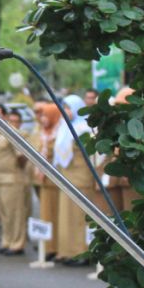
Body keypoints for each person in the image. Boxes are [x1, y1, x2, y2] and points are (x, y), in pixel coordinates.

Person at [54, 94, 96, 265]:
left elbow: (94, 156)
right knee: (67, 217)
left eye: (69, 108)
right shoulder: (64, 127)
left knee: (80, 218)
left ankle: (82, 253)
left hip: (81, 178)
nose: (66, 111)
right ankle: (67, 251)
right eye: (64, 108)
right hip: (67, 178)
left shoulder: (84, 128)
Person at [0, 106, 31, 254]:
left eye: (15, 121)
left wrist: (18, 167)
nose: (12, 123)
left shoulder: (15, 133)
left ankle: (17, 244)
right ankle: (7, 241)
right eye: (10, 120)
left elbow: (21, 156)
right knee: (5, 214)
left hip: (12, 179)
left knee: (15, 214)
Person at [32, 101, 61, 260]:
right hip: (42, 181)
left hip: (54, 181)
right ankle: (48, 246)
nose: (42, 119)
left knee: (56, 214)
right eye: (41, 115)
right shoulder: (43, 132)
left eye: (45, 115)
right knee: (46, 214)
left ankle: (56, 246)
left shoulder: (59, 133)